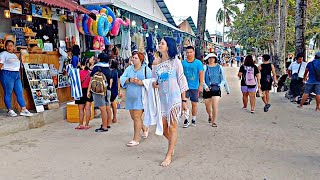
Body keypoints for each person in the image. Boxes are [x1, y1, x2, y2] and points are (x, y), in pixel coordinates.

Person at [152, 37, 188, 167]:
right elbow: (154, 80)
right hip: (162, 100)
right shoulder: (156, 62)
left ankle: (168, 155)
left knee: (172, 127)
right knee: (162, 126)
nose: (159, 45)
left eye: (162, 43)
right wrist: (154, 84)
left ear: (168, 46)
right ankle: (172, 145)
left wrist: (184, 100)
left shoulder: (176, 62)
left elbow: (181, 80)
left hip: (174, 99)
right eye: (159, 43)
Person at [120, 51, 152, 146]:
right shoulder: (129, 69)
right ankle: (145, 129)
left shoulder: (146, 69)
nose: (133, 59)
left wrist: (141, 82)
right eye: (132, 58)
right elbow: (122, 78)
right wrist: (129, 80)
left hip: (141, 97)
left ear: (141, 59)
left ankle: (136, 139)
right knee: (133, 117)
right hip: (130, 97)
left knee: (137, 117)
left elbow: (151, 81)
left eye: (135, 58)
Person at [0, 40, 33, 117]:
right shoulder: (3, 54)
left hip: (16, 75)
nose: (9, 47)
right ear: (5, 47)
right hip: (7, 74)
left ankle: (24, 109)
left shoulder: (14, 55)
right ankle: (9, 110)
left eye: (11, 45)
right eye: (7, 45)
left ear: (14, 47)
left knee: (19, 92)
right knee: (8, 93)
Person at [87, 53, 112, 132]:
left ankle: (104, 127)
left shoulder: (96, 67)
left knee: (102, 108)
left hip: (99, 91)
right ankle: (108, 123)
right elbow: (111, 80)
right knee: (107, 107)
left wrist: (89, 91)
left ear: (99, 59)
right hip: (107, 89)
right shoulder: (108, 68)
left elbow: (91, 80)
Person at [182, 46, 204, 127]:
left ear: (194, 52)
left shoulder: (198, 63)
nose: (189, 54)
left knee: (194, 104)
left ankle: (193, 119)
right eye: (187, 52)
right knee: (184, 103)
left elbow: (201, 74)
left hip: (195, 86)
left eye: (190, 52)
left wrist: (201, 85)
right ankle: (186, 119)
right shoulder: (183, 63)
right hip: (184, 87)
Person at [202, 53, 226, 127]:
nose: (211, 59)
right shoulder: (204, 67)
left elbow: (223, 79)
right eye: (209, 58)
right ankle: (210, 115)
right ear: (207, 59)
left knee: (214, 105)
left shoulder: (220, 67)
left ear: (215, 59)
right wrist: (205, 86)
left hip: (216, 88)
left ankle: (214, 121)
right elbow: (202, 79)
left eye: (213, 58)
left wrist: (220, 86)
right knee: (207, 106)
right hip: (207, 89)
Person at [75, 59, 93, 129]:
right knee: (88, 109)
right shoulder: (90, 73)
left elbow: (76, 83)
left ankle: (80, 124)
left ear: (82, 65)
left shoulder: (79, 73)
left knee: (81, 109)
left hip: (80, 91)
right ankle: (87, 124)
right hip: (89, 91)